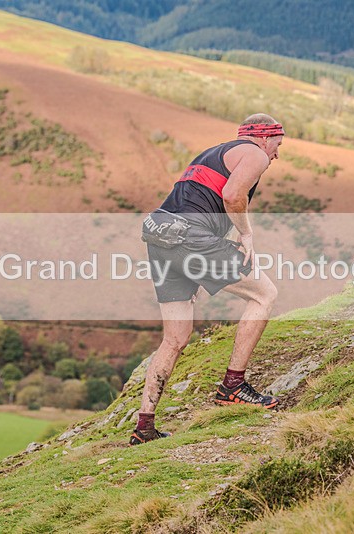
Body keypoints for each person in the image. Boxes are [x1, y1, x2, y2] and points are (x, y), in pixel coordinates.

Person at [130, 113, 284, 445]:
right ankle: (233, 387)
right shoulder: (254, 153)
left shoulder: (214, 152)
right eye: (278, 145)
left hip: (159, 232)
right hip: (188, 236)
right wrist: (247, 235)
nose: (276, 155)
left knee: (175, 338)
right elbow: (232, 196)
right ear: (265, 137)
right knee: (264, 295)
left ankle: (144, 427)